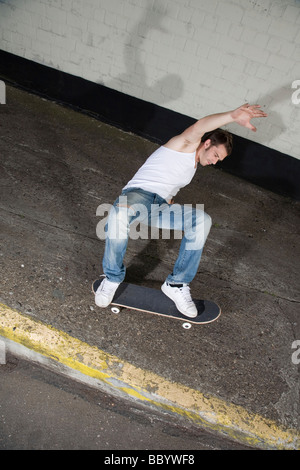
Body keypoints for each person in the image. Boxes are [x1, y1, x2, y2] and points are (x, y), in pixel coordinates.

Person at [95, 103, 267, 317]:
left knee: (202, 220)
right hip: (138, 195)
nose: (214, 162)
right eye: (215, 155)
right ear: (206, 143)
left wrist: (170, 201)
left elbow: (169, 183)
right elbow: (201, 125)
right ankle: (112, 277)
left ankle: (176, 284)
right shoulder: (184, 144)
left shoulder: (192, 167)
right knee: (119, 215)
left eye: (218, 160)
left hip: (159, 205)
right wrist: (232, 116)